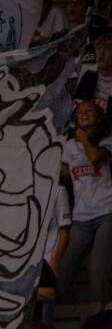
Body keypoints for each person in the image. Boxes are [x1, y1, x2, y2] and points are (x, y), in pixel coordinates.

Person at [57, 100, 112, 305]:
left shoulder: (106, 138)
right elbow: (61, 170)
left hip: (106, 213)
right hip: (80, 217)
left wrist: (84, 138)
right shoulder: (70, 146)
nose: (84, 114)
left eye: (90, 111)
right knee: (63, 270)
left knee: (97, 270)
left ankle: (100, 323)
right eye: (80, 112)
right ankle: (70, 313)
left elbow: (95, 158)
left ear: (99, 117)